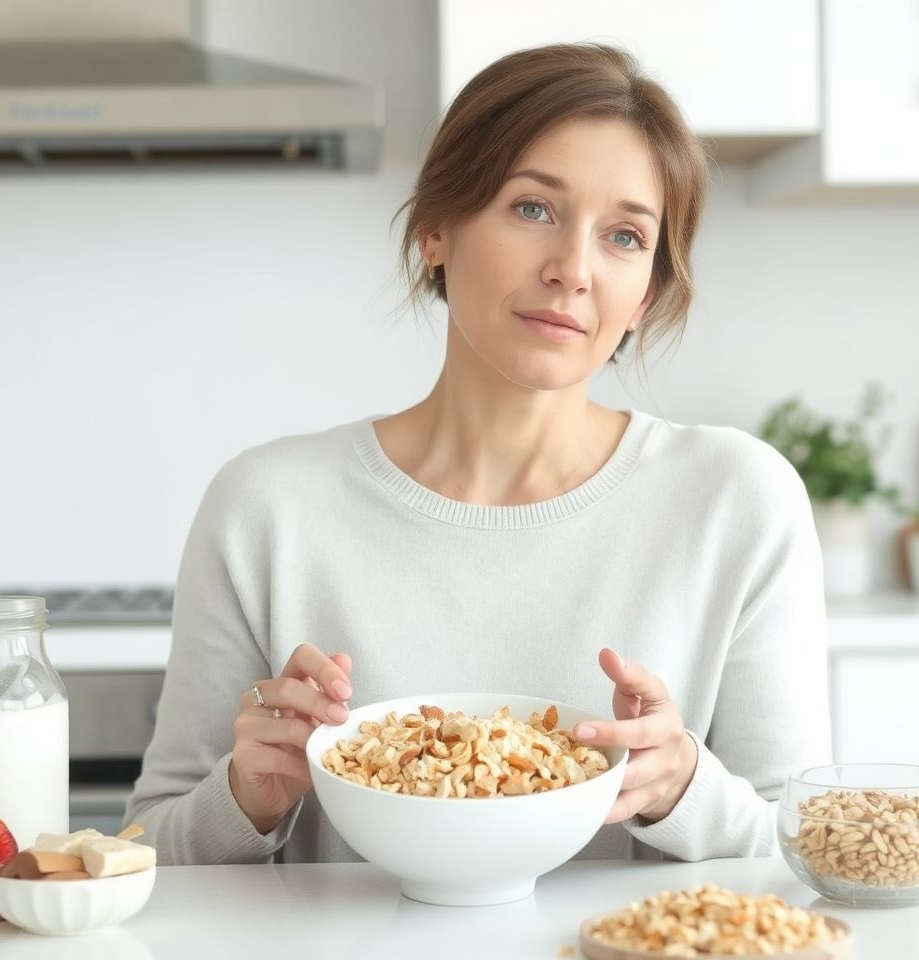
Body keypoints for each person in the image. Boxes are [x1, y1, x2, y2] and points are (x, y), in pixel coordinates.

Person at [125, 42, 830, 865]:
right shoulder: (266, 508)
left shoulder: (737, 501)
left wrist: (682, 788)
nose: (573, 271)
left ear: (646, 294)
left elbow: (808, 850)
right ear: (435, 230)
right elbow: (145, 849)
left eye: (625, 236)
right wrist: (247, 798)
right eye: (533, 208)